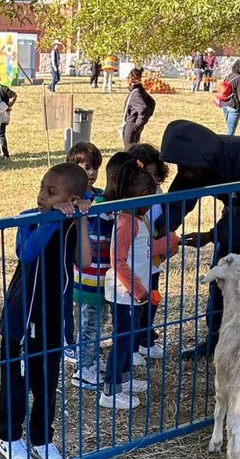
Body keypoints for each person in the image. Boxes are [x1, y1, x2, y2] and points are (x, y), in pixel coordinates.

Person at [0, 162, 92, 459]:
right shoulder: (29, 219)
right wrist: (51, 220)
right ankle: (9, 436)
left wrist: (83, 218)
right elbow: (27, 253)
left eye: (52, 192)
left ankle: (42, 438)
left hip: (52, 318)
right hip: (22, 319)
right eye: (42, 188)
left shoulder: (72, 222)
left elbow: (85, 261)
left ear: (73, 197)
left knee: (47, 382)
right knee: (17, 380)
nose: (42, 195)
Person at [162, 119, 240, 358]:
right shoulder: (195, 161)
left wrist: (212, 235)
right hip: (238, 208)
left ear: (205, 161)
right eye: (182, 168)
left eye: (190, 170)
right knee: (222, 275)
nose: (186, 174)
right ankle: (215, 339)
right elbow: (177, 201)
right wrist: (159, 229)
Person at [100, 159, 179, 411]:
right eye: (153, 193)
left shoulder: (139, 218)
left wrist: (171, 241)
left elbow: (144, 250)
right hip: (126, 293)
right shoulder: (125, 222)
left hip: (137, 293)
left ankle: (123, 379)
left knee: (130, 335)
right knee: (122, 340)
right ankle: (110, 391)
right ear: (144, 195)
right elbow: (118, 260)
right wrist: (139, 291)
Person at [66, 142, 110, 389]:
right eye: (85, 167)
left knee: (97, 321)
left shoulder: (100, 195)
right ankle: (83, 370)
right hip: (86, 277)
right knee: (88, 324)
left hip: (103, 275)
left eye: (94, 167)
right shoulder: (74, 200)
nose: (91, 172)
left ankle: (91, 362)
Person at [127, 142, 170, 360]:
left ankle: (145, 339)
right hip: (136, 261)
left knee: (152, 300)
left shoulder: (159, 192)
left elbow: (160, 220)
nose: (151, 181)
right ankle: (132, 346)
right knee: (136, 304)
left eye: (154, 176)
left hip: (154, 260)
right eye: (146, 175)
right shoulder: (130, 198)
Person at [122, 68, 156, 149]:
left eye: (128, 78)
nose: (127, 80)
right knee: (135, 150)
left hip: (132, 125)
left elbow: (144, 109)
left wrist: (137, 124)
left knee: (129, 151)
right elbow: (152, 103)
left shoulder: (136, 93)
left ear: (132, 79)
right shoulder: (140, 90)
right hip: (134, 123)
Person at [219, 58, 240, 136]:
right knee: (231, 132)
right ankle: (228, 146)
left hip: (225, 104)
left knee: (230, 128)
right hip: (234, 107)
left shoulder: (228, 76)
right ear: (239, 68)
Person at [0, 82, 17, 158]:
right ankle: (3, 153)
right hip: (4, 114)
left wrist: (9, 105)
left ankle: (1, 153)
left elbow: (14, 95)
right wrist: (9, 105)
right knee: (1, 134)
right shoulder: (3, 88)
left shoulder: (1, 89)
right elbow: (14, 95)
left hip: (0, 114)